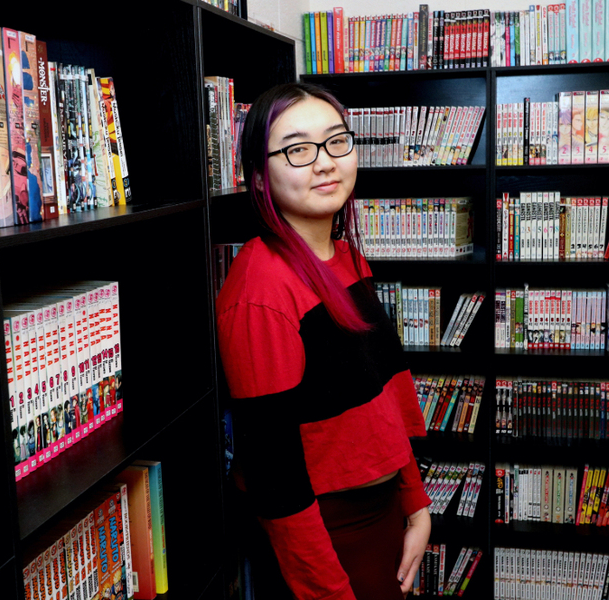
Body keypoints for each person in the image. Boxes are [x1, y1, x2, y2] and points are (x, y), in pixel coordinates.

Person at [216, 82, 431, 600]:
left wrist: (416, 507)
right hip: (329, 536)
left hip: (382, 515)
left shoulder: (347, 258)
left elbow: (385, 396)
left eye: (337, 141)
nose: (325, 162)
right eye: (297, 149)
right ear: (259, 175)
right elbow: (275, 476)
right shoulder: (260, 291)